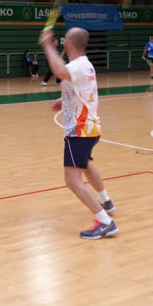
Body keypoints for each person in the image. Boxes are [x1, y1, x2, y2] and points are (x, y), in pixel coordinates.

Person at [39, 25, 117, 240]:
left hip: (80, 130)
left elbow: (60, 72)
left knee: (72, 181)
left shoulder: (78, 66)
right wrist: (63, 99)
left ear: (71, 44)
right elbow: (81, 90)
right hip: (89, 128)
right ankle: (105, 201)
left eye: (65, 38)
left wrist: (47, 45)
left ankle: (105, 223)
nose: (63, 41)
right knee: (85, 165)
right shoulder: (85, 65)